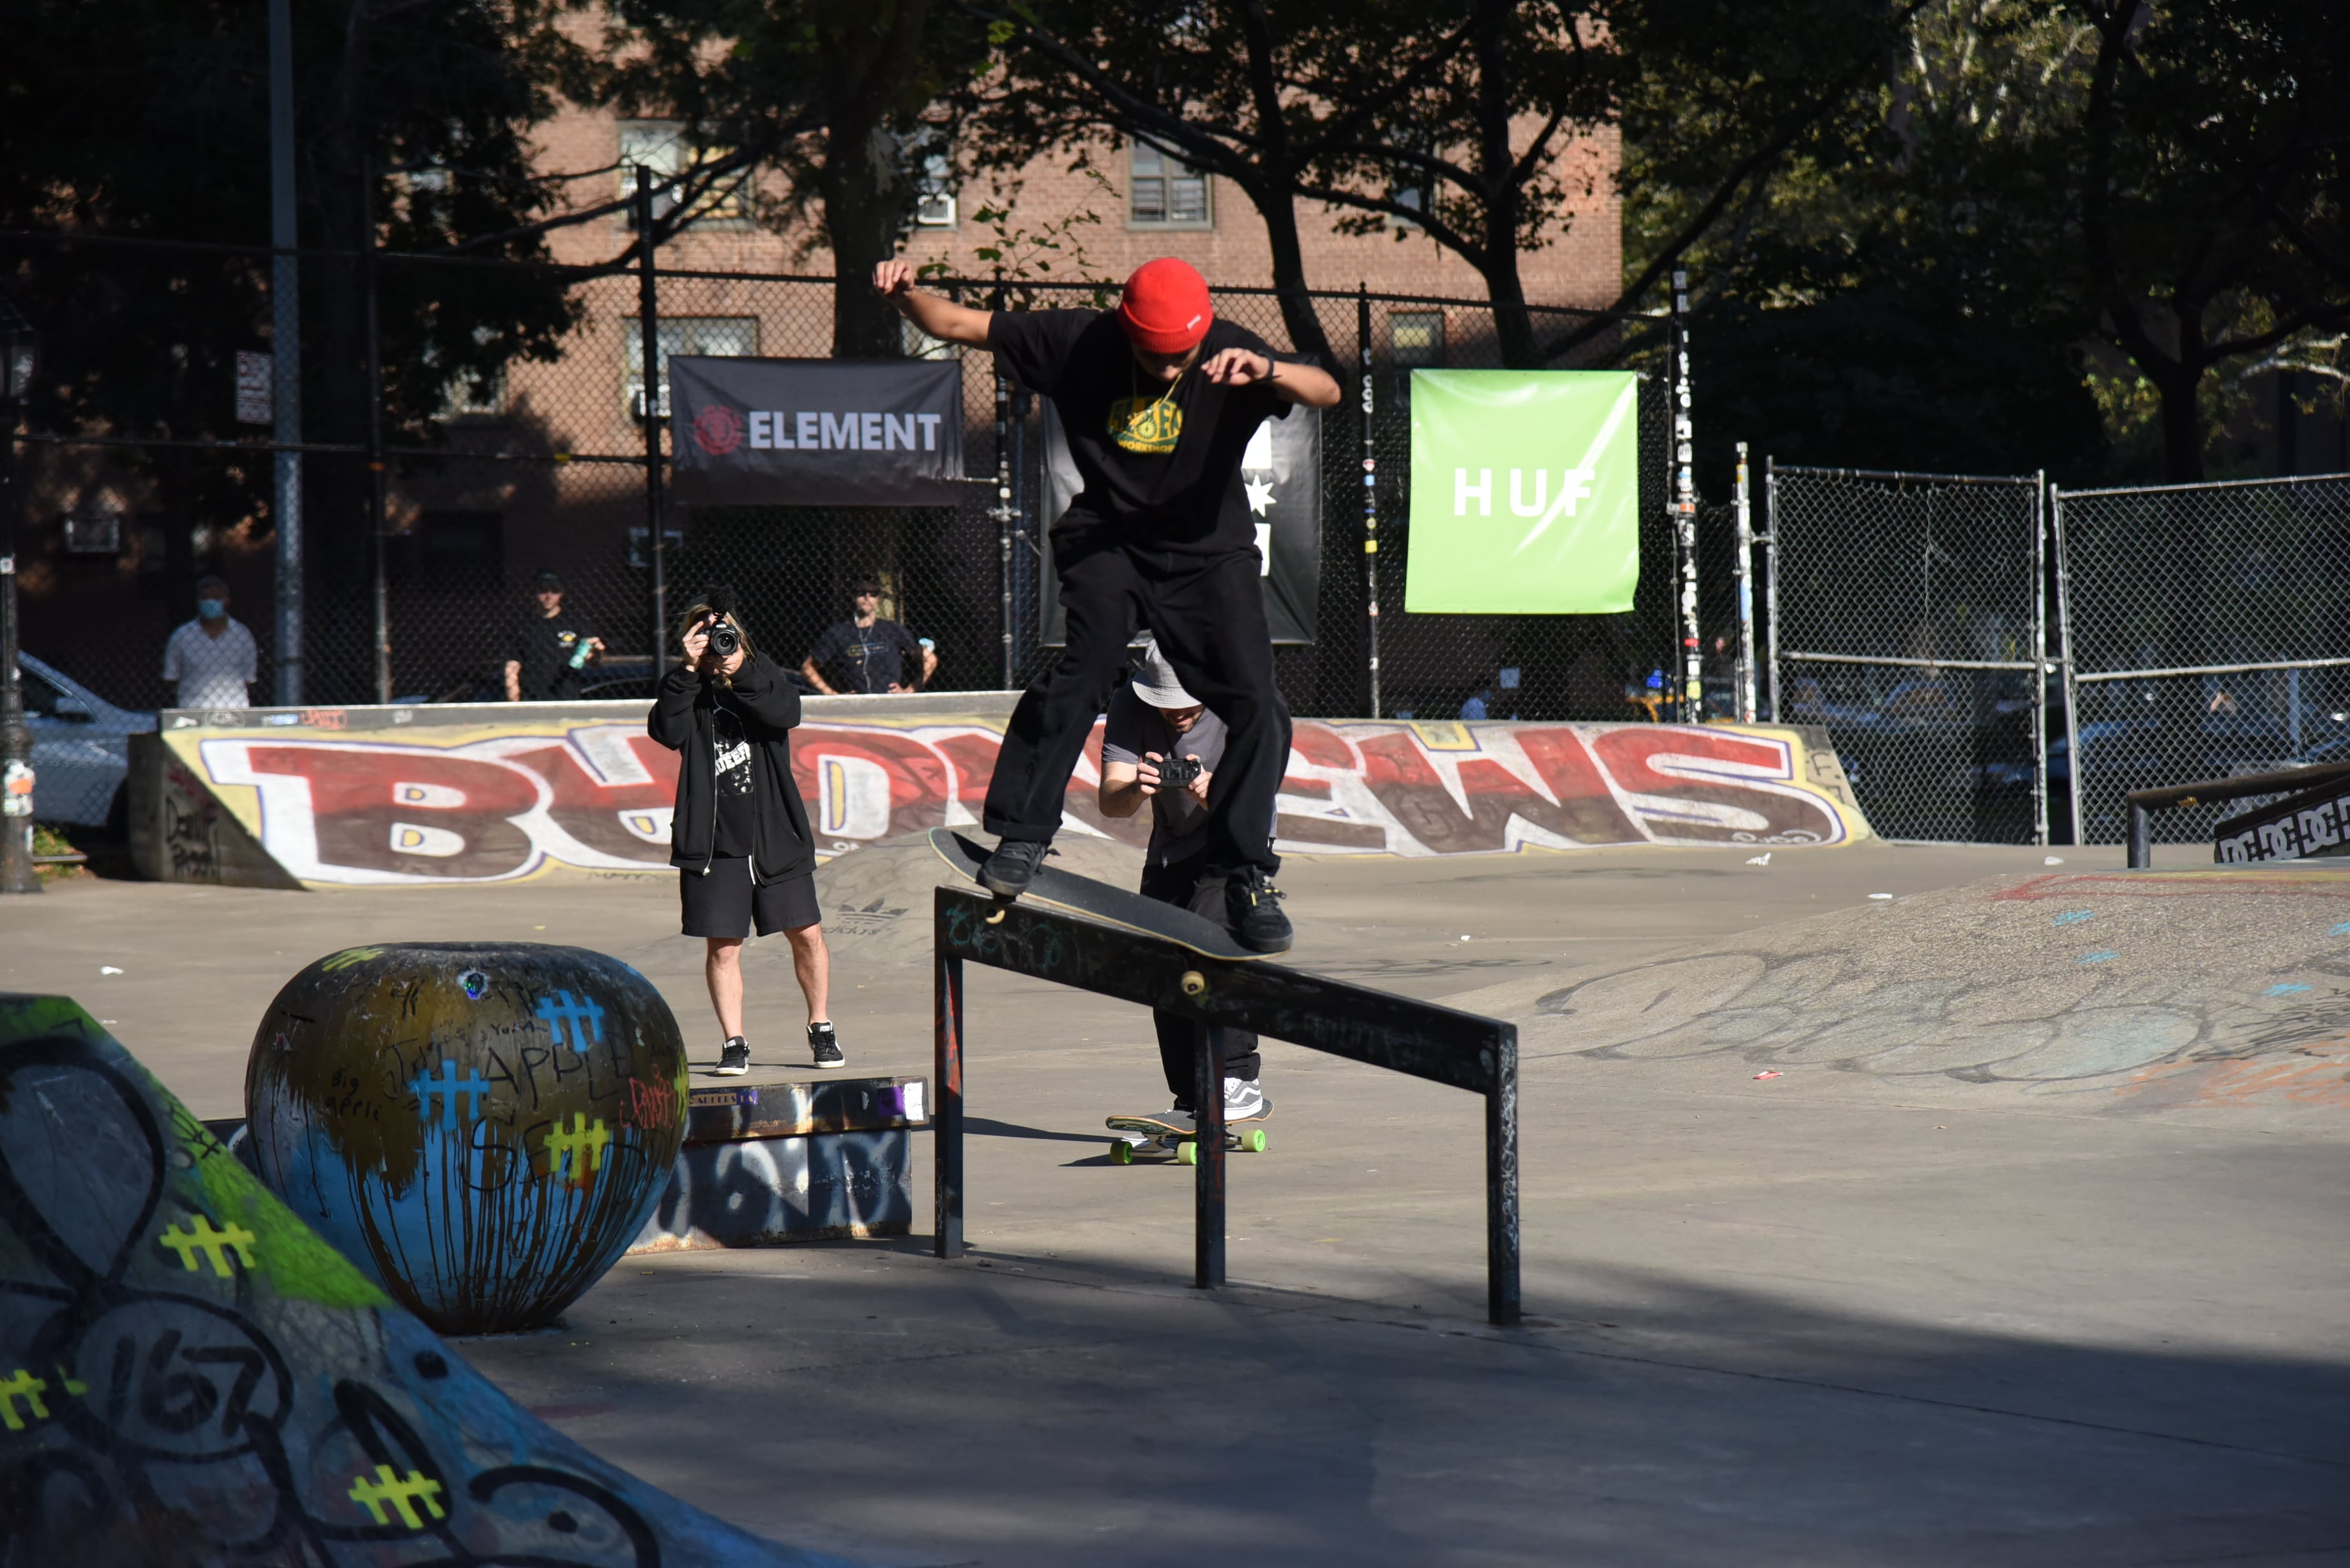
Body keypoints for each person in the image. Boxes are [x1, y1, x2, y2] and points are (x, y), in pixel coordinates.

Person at [874, 254, 1340, 952]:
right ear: (1126, 329)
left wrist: (1268, 371)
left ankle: (1243, 872)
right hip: (1110, 541)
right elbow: (956, 322)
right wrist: (907, 295)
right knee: (1084, 669)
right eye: (1153, 354)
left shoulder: (1226, 350)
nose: (1167, 365)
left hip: (1208, 553)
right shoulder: (1077, 339)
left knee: (1257, 702)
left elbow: (1326, 388)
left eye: (1179, 354)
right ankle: (1023, 836)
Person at [647, 586, 844, 1076]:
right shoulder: (687, 689)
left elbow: (786, 713)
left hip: (774, 836)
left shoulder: (761, 674)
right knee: (724, 945)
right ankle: (734, 1041)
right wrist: (688, 671)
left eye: (724, 635)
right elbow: (665, 732)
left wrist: (741, 671)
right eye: (706, 636)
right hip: (714, 844)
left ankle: (821, 1026)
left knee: (808, 934)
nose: (717, 644)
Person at [1098, 639, 1268, 1129]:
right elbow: (1111, 800)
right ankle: (1194, 1096)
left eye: (1186, 704)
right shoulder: (1130, 702)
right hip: (1173, 847)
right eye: (1163, 704)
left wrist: (1219, 794)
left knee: (1211, 936)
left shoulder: (1241, 702)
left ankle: (1239, 1079)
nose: (1175, 715)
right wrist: (1137, 788)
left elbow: (1257, 813)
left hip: (1236, 843)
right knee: (1158, 960)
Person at [801, 578, 937, 695]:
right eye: (861, 593)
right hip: (856, 703)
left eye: (873, 593)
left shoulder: (892, 629)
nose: (867, 597)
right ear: (853, 596)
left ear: (878, 598)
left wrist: (911, 690)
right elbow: (808, 668)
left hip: (889, 699)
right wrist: (833, 695)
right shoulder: (839, 633)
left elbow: (930, 659)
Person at [162, 575, 259, 710]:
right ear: (198, 602)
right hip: (193, 709)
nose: (210, 602)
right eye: (205, 599)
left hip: (235, 709)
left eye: (216, 598)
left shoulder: (242, 635)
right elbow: (172, 677)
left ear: (227, 601)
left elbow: (249, 678)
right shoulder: (182, 636)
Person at [505, 569, 602, 701]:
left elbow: (593, 661)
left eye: (555, 591)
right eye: (543, 591)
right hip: (532, 699)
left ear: (561, 594)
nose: (549, 596)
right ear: (534, 593)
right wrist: (514, 702)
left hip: (567, 698)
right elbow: (512, 666)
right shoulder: (522, 625)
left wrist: (597, 653)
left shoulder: (576, 622)